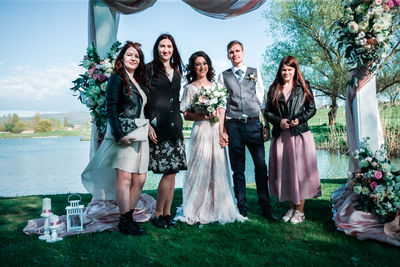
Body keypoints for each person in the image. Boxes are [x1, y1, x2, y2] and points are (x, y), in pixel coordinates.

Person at [81, 41, 150, 235]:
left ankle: (128, 218)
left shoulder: (140, 81)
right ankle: (126, 221)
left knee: (140, 179)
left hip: (141, 133)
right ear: (122, 58)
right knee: (125, 178)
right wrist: (119, 134)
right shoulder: (116, 78)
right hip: (124, 133)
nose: (133, 58)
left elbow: (143, 109)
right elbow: (110, 106)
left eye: (137, 56)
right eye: (129, 55)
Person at [175, 51, 247, 225]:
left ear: (209, 65)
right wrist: (203, 116)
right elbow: (186, 114)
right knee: (201, 166)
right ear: (193, 67)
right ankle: (196, 205)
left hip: (215, 130)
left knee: (218, 167)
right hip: (200, 131)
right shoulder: (190, 88)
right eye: (198, 64)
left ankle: (219, 204)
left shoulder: (216, 87)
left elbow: (222, 111)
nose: (202, 67)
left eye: (205, 63)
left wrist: (222, 131)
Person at [217, 40, 276, 221]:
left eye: (237, 51)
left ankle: (265, 207)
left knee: (260, 166)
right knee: (238, 170)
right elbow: (221, 105)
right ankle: (242, 209)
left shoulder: (255, 72)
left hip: (253, 125)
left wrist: (266, 125)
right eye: (231, 52)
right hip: (233, 126)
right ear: (228, 55)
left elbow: (262, 102)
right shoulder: (223, 76)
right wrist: (222, 130)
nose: (234, 54)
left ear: (243, 52)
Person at [264, 56, 321, 224]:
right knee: (286, 172)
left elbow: (312, 109)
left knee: (300, 173)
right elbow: (267, 112)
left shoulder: (303, 87)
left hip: (300, 135)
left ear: (295, 70)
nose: (286, 72)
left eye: (289, 69)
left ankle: (300, 210)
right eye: (283, 69)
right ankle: (292, 207)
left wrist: (300, 119)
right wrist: (278, 121)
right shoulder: (274, 88)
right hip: (281, 137)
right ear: (279, 71)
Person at [146, 34, 187, 229]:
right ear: (157, 48)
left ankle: (168, 213)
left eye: (169, 46)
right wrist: (147, 123)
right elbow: (143, 97)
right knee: (167, 172)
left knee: (173, 172)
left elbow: (177, 99)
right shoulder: (149, 69)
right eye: (162, 46)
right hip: (159, 125)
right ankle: (157, 214)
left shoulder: (177, 71)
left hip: (175, 126)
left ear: (173, 49)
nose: (166, 50)